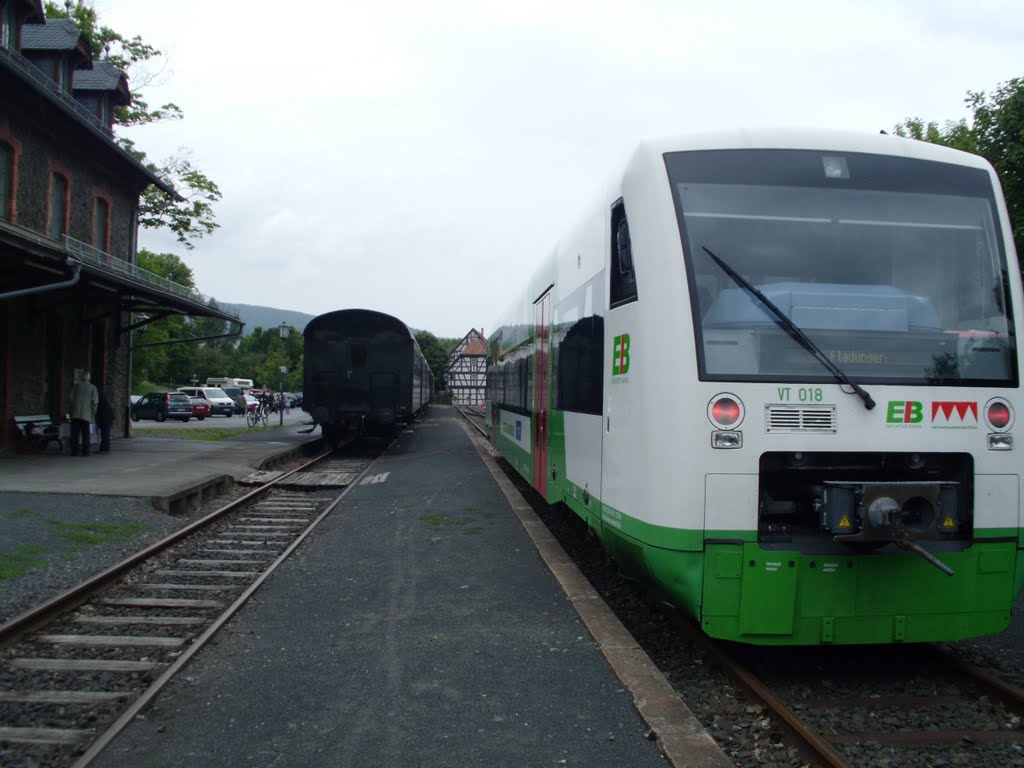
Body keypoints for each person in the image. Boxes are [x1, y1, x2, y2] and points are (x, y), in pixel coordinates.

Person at [68, 370, 98, 457]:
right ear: (89, 378)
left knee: (75, 434)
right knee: (86, 434)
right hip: (86, 414)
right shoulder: (92, 388)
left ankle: (74, 451)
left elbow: (71, 399)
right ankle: (85, 451)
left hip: (75, 413)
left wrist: (70, 411)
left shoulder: (76, 387)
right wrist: (93, 414)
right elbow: (95, 402)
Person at [95, 387, 115, 453]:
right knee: (105, 432)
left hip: (105, 414)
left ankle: (105, 448)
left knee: (105, 432)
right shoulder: (101, 394)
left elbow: (96, 406)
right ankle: (105, 447)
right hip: (108, 413)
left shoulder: (97, 395)